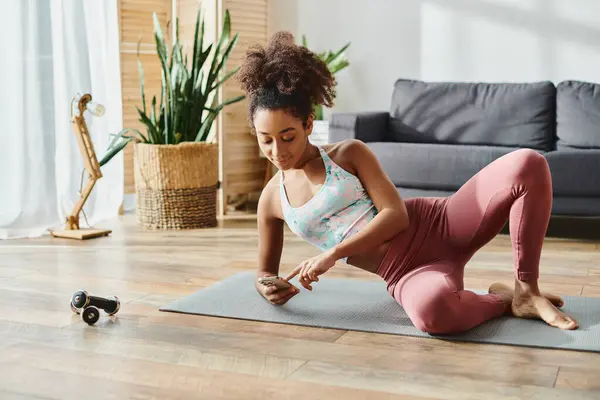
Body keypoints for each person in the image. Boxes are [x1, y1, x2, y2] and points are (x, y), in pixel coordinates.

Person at [237, 31, 578, 334]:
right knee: (434, 315)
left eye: (287, 136)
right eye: (266, 140)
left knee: (529, 164)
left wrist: (334, 254)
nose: (277, 150)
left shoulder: (347, 153)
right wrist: (267, 286)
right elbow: (263, 271)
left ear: (309, 124)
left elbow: (396, 215)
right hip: (404, 271)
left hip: (440, 223)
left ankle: (527, 289)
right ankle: (506, 301)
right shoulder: (271, 201)